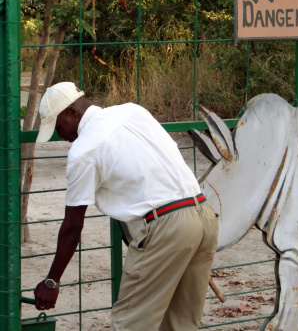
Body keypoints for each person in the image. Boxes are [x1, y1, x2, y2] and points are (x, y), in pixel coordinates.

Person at [33, 82, 219, 330]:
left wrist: (52, 281)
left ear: (72, 112)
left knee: (131, 323)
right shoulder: (132, 111)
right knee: (180, 324)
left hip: (168, 227)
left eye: (58, 127)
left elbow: (73, 226)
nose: (60, 135)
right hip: (203, 213)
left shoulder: (83, 150)